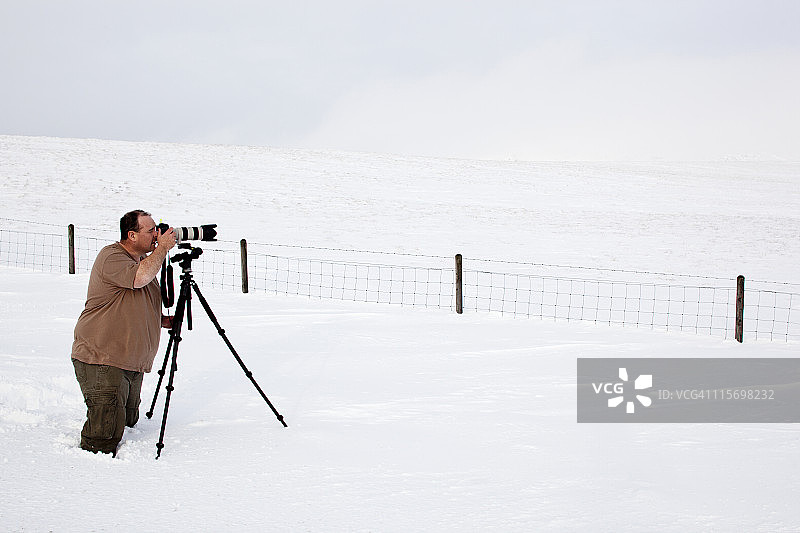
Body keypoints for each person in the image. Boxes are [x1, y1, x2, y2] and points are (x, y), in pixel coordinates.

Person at [71, 210, 177, 456]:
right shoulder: (112, 257)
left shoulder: (141, 263)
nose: (156, 235)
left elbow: (131, 302)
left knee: (127, 424)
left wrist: (161, 320)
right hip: (102, 358)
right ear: (131, 235)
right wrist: (162, 250)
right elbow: (139, 280)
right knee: (103, 437)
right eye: (150, 230)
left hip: (129, 363)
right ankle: (95, 484)